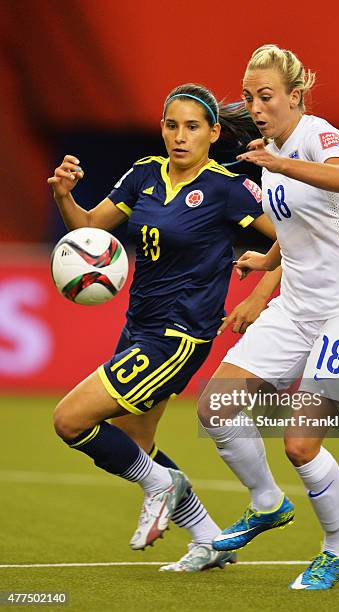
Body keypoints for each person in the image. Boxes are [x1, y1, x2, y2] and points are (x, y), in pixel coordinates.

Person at [48, 82, 281, 573]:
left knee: (69, 421)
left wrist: (259, 295)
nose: (180, 136)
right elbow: (88, 227)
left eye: (192, 127)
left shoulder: (227, 189)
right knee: (137, 447)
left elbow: (298, 243)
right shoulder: (144, 175)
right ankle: (212, 541)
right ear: (161, 128)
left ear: (214, 133)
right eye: (172, 125)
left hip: (178, 339)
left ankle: (159, 486)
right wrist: (64, 196)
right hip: (138, 327)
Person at [198, 45, 339, 590]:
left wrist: (278, 162)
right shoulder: (273, 154)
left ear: (294, 96)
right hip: (299, 305)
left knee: (300, 443)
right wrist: (266, 267)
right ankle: (266, 502)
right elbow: (295, 229)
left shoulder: (316, 134)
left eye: (266, 97)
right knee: (217, 407)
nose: (256, 108)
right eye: (248, 98)